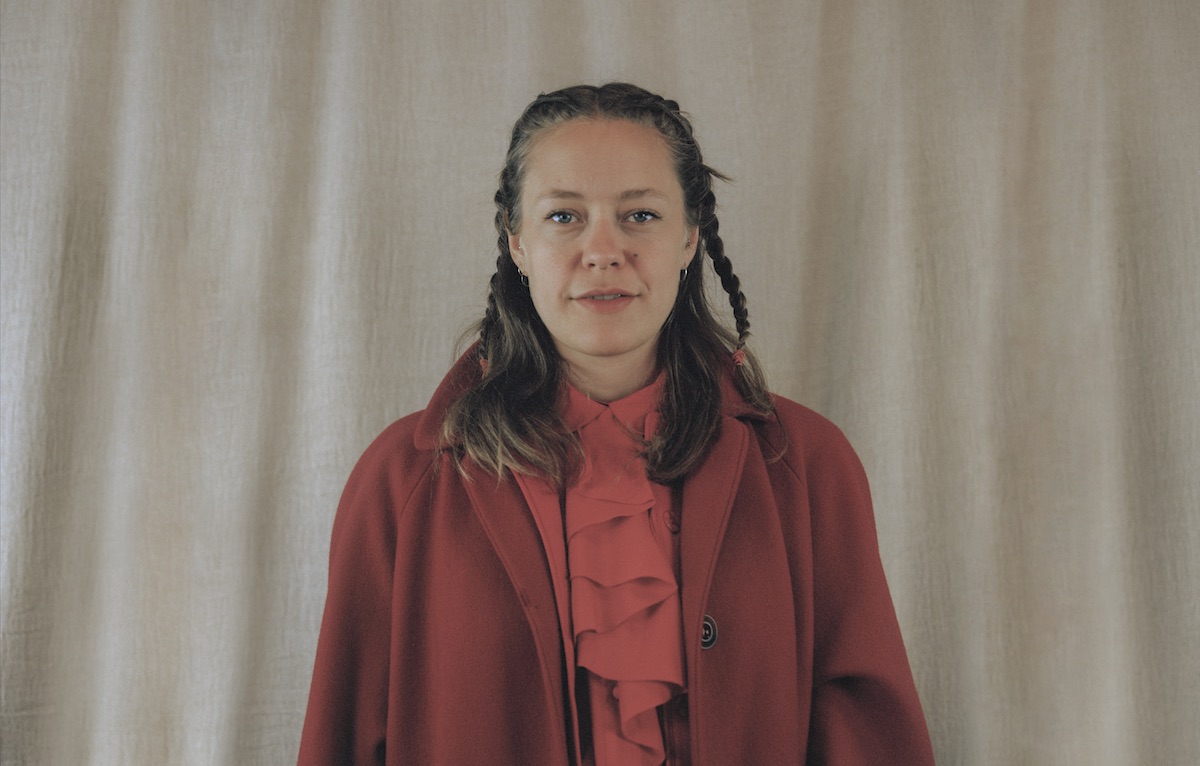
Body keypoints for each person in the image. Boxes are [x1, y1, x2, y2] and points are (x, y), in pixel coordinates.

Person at [297, 82, 935, 765]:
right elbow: (343, 735)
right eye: (563, 217)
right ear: (516, 242)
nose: (603, 250)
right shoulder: (402, 481)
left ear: (689, 237)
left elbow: (865, 738)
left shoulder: (806, 465)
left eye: (640, 215)